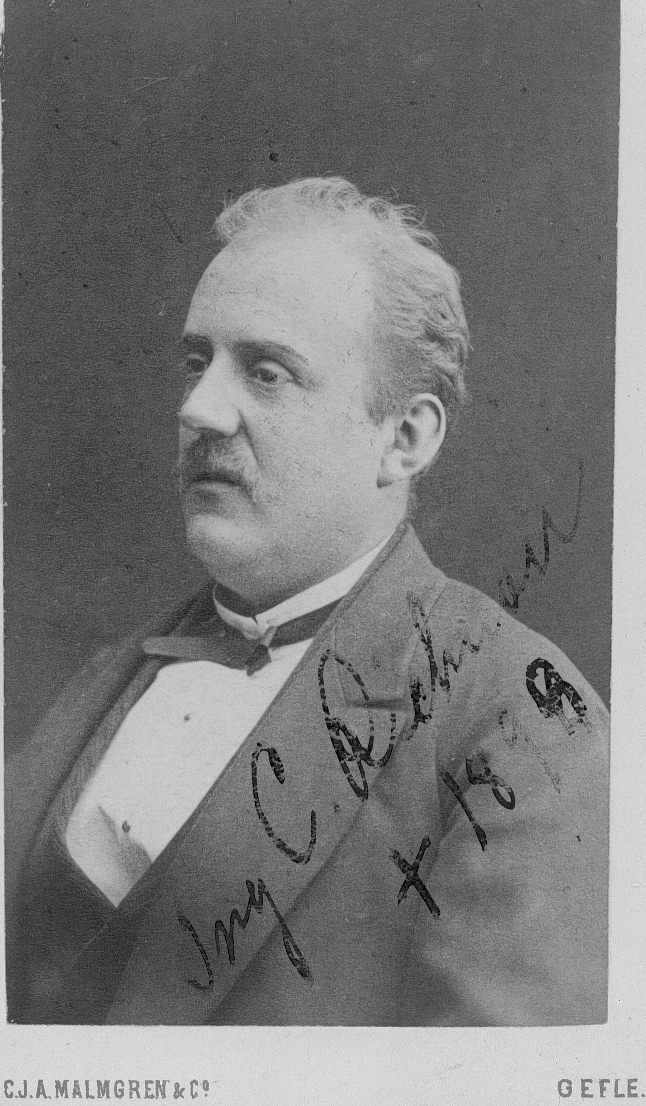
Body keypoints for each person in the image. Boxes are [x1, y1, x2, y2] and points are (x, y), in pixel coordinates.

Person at [5, 177, 609, 1026]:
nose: (198, 408)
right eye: (196, 363)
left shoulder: (520, 720)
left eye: (266, 372)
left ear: (404, 438)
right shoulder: (109, 675)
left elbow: (491, 1073)